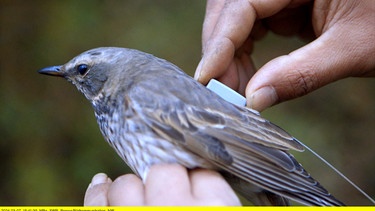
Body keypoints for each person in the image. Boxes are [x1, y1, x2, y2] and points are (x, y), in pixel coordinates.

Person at [84, 0, 375, 206]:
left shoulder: (139, 93)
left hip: (248, 158)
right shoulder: (130, 94)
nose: (75, 76)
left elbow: (222, 144)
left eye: (82, 71)